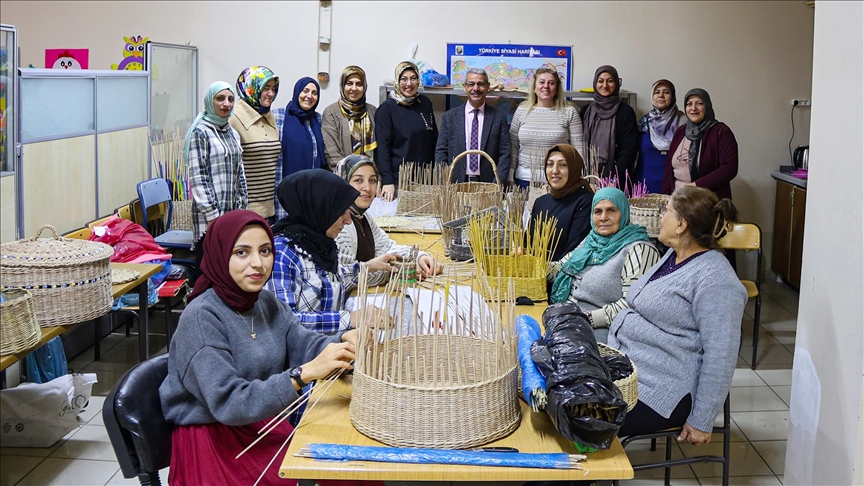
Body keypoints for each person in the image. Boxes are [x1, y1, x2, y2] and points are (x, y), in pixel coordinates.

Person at [159, 210, 359, 485]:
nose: (258, 263)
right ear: (220, 255)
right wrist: (302, 375)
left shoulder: (263, 302)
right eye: (241, 252)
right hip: (214, 438)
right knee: (315, 474)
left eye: (265, 251)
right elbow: (230, 403)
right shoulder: (202, 318)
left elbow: (303, 343)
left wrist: (344, 342)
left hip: (258, 422)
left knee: (351, 470)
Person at [609, 186, 747, 445]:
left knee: (582, 415)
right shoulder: (674, 255)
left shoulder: (717, 280)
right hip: (633, 369)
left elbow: (721, 357)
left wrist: (702, 420)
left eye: (666, 211)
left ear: (682, 224)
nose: (661, 217)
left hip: (662, 391)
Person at [267, 170, 398, 333]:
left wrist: (367, 267)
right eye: (341, 212)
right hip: (308, 349)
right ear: (319, 209)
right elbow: (283, 322)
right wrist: (351, 318)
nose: (348, 220)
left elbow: (329, 280)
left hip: (333, 343)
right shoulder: (282, 254)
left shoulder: (320, 242)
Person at [547, 188, 661, 343]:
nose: (603, 218)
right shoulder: (591, 241)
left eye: (611, 210)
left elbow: (633, 303)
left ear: (624, 212)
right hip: (565, 323)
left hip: (599, 335)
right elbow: (561, 268)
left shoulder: (639, 249)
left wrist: (588, 318)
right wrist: (531, 264)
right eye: (598, 211)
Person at [334, 155, 443, 286]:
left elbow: (387, 248)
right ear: (343, 183)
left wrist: (419, 257)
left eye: (372, 180)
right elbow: (346, 277)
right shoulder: (340, 224)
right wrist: (394, 272)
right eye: (358, 180)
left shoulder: (363, 217)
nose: (367, 188)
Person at [186, 81, 247, 276]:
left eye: (230, 99)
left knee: (228, 270)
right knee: (209, 270)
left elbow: (240, 172)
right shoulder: (201, 132)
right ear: (209, 102)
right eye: (220, 98)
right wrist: (213, 216)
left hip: (231, 213)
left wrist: (242, 208)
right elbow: (198, 176)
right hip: (209, 218)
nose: (226, 104)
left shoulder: (233, 132)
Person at [374, 61, 439, 201]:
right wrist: (387, 180)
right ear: (397, 81)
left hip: (425, 179)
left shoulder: (425, 103)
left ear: (418, 81)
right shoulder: (387, 109)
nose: (409, 83)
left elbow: (434, 138)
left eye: (413, 78)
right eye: (404, 79)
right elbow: (382, 149)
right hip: (399, 181)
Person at [435, 68, 511, 184]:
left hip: (489, 184)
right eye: (471, 84)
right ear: (465, 87)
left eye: (480, 84)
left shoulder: (499, 118)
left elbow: (505, 154)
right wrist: (443, 181)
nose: (476, 88)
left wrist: (497, 184)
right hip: (455, 183)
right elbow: (441, 152)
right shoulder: (450, 117)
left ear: (487, 87)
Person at [510, 68, 583, 188]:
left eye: (551, 83)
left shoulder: (569, 112)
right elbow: (513, 146)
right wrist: (509, 176)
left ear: (556, 89)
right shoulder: (521, 111)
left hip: (558, 180)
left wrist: (577, 177)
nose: (546, 86)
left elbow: (578, 149)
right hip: (523, 180)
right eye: (542, 82)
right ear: (534, 87)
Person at [661, 88, 738, 201]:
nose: (693, 108)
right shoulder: (680, 132)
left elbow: (729, 168)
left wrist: (695, 186)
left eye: (699, 103)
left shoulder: (721, 132)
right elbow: (668, 167)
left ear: (707, 106)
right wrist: (665, 198)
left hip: (708, 201)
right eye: (689, 104)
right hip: (678, 200)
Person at [229, 66, 281, 220]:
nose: (271, 94)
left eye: (273, 89)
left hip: (269, 209)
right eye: (266, 88)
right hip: (245, 209)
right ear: (251, 88)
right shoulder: (233, 117)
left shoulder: (268, 115)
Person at [273, 77, 326, 221]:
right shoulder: (278, 116)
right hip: (284, 190)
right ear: (297, 92)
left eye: (314, 93)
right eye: (305, 91)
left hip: (312, 192)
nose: (309, 96)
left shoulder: (319, 120)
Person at [530, 144, 593, 261]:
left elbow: (574, 252)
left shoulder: (585, 202)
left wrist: (549, 269)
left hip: (563, 270)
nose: (555, 171)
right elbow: (528, 243)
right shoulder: (541, 202)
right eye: (550, 164)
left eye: (563, 165)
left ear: (574, 168)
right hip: (533, 270)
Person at [580, 65, 639, 180]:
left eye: (610, 81)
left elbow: (629, 150)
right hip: (587, 175)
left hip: (617, 178)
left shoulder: (626, 112)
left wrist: (614, 178)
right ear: (595, 83)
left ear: (616, 83)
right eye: (600, 81)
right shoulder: (586, 111)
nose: (605, 85)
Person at [321, 65, 377, 168]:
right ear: (343, 86)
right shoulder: (331, 112)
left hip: (371, 174)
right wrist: (350, 174)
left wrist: (374, 175)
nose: (354, 88)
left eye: (359, 84)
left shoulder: (373, 111)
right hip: (341, 175)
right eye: (349, 83)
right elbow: (331, 153)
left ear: (364, 87)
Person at [636, 79, 686, 193]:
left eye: (666, 92)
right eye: (657, 92)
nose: (661, 96)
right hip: (643, 183)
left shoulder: (683, 122)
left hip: (674, 184)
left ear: (672, 96)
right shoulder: (643, 122)